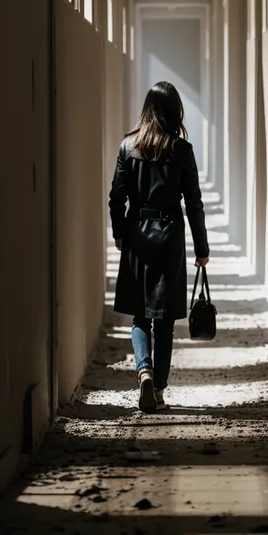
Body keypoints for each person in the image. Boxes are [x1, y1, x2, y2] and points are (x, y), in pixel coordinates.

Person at [109, 81, 209, 412]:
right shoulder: (182, 151)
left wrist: (120, 232)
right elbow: (194, 203)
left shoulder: (128, 147)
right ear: (175, 112)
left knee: (140, 315)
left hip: (138, 234)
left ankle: (144, 372)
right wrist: (201, 248)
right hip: (169, 236)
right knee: (164, 319)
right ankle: (161, 391)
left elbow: (116, 197)